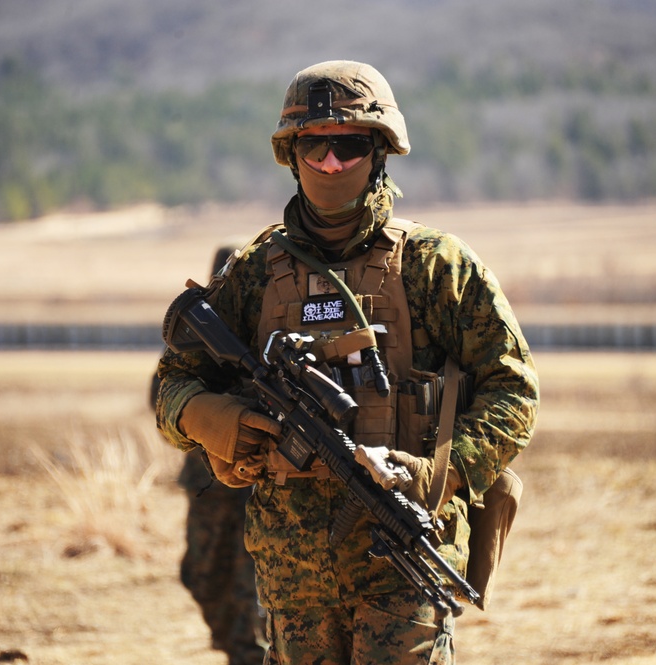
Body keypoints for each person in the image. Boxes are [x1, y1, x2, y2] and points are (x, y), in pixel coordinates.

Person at [155, 60, 539, 664]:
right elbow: (174, 384)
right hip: (291, 579)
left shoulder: (436, 266)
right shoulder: (255, 272)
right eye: (315, 146)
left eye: (350, 145)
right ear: (291, 151)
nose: (332, 163)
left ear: (380, 151)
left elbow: (513, 392)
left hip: (403, 564)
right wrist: (220, 422)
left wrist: (436, 473)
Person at [149, 244, 267, 665]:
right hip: (208, 485)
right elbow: (163, 400)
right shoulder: (195, 343)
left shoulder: (270, 340)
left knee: (250, 585)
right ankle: (235, 645)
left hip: (258, 485)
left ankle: (249, 653)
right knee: (201, 575)